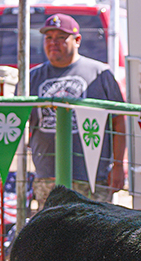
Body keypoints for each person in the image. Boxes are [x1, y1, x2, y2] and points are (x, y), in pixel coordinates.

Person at [28, 14, 126, 210]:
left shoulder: (100, 74)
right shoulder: (32, 77)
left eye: (61, 37)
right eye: (48, 37)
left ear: (77, 40)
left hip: (92, 177)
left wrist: (117, 166)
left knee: (94, 228)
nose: (53, 43)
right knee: (52, 228)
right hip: (48, 177)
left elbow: (118, 121)